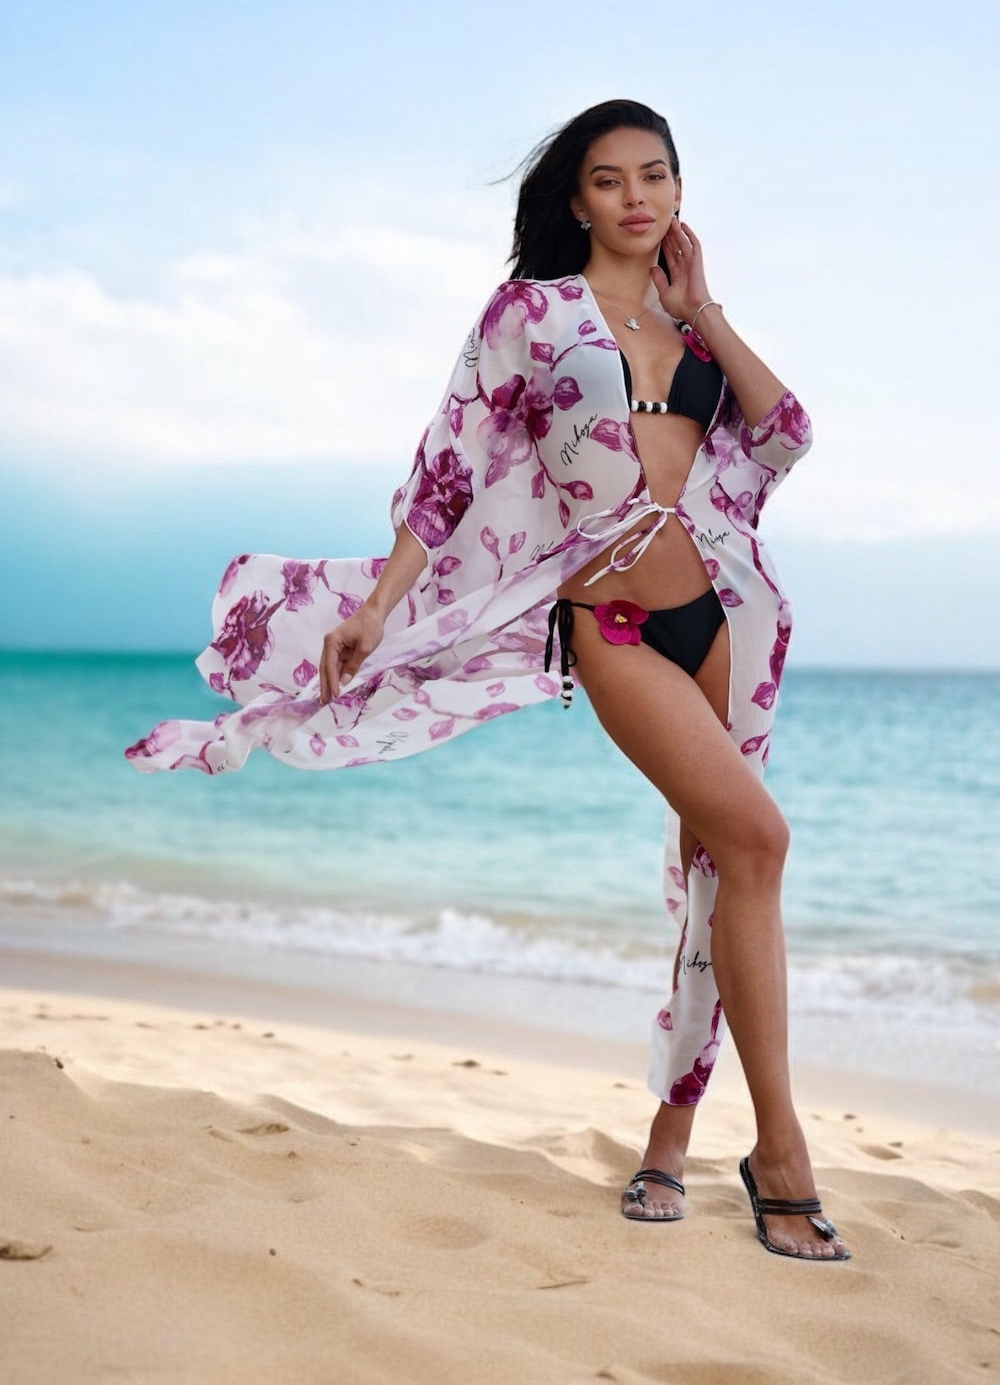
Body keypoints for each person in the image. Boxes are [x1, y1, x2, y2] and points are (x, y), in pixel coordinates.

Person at [126, 99, 849, 1261]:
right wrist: (377, 605)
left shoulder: (694, 327)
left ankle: (670, 1137)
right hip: (612, 622)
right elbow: (449, 468)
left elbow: (785, 438)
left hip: (731, 614)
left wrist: (703, 307)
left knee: (719, 869)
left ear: (679, 190)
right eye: (609, 179)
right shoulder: (531, 315)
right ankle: (781, 1153)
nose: (636, 197)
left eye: (655, 175)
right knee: (758, 841)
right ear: (576, 201)